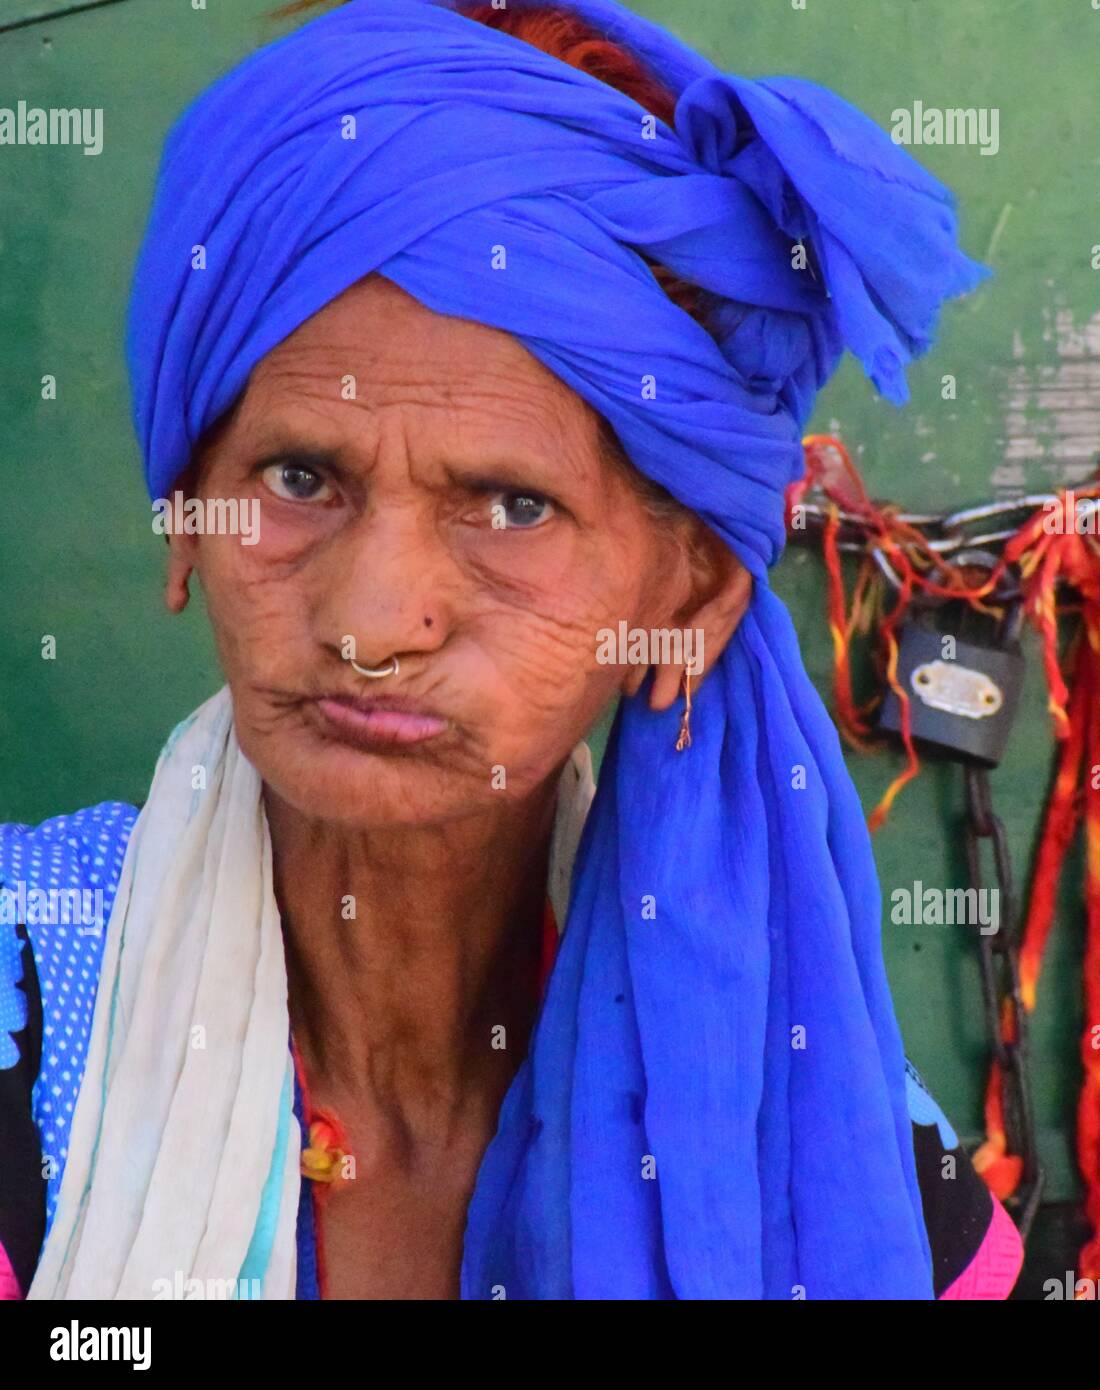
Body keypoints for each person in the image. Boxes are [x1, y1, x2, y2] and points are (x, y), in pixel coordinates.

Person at [0, 0, 1021, 1299]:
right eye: (299, 476)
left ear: (693, 586)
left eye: (511, 505)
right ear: (187, 513)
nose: (372, 623)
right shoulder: (27, 1018)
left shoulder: (827, 1164)